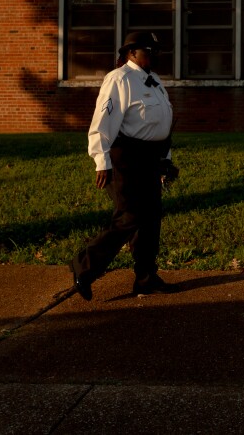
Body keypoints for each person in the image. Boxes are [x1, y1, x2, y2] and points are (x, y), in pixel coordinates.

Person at [69, 31, 179, 300]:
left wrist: (166, 159)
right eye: (148, 50)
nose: (153, 55)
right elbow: (102, 123)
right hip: (125, 159)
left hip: (151, 158)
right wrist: (101, 161)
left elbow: (161, 125)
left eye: (155, 51)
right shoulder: (119, 79)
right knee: (129, 217)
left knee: (150, 218)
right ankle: (83, 266)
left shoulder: (154, 82)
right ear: (131, 53)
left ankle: (146, 278)